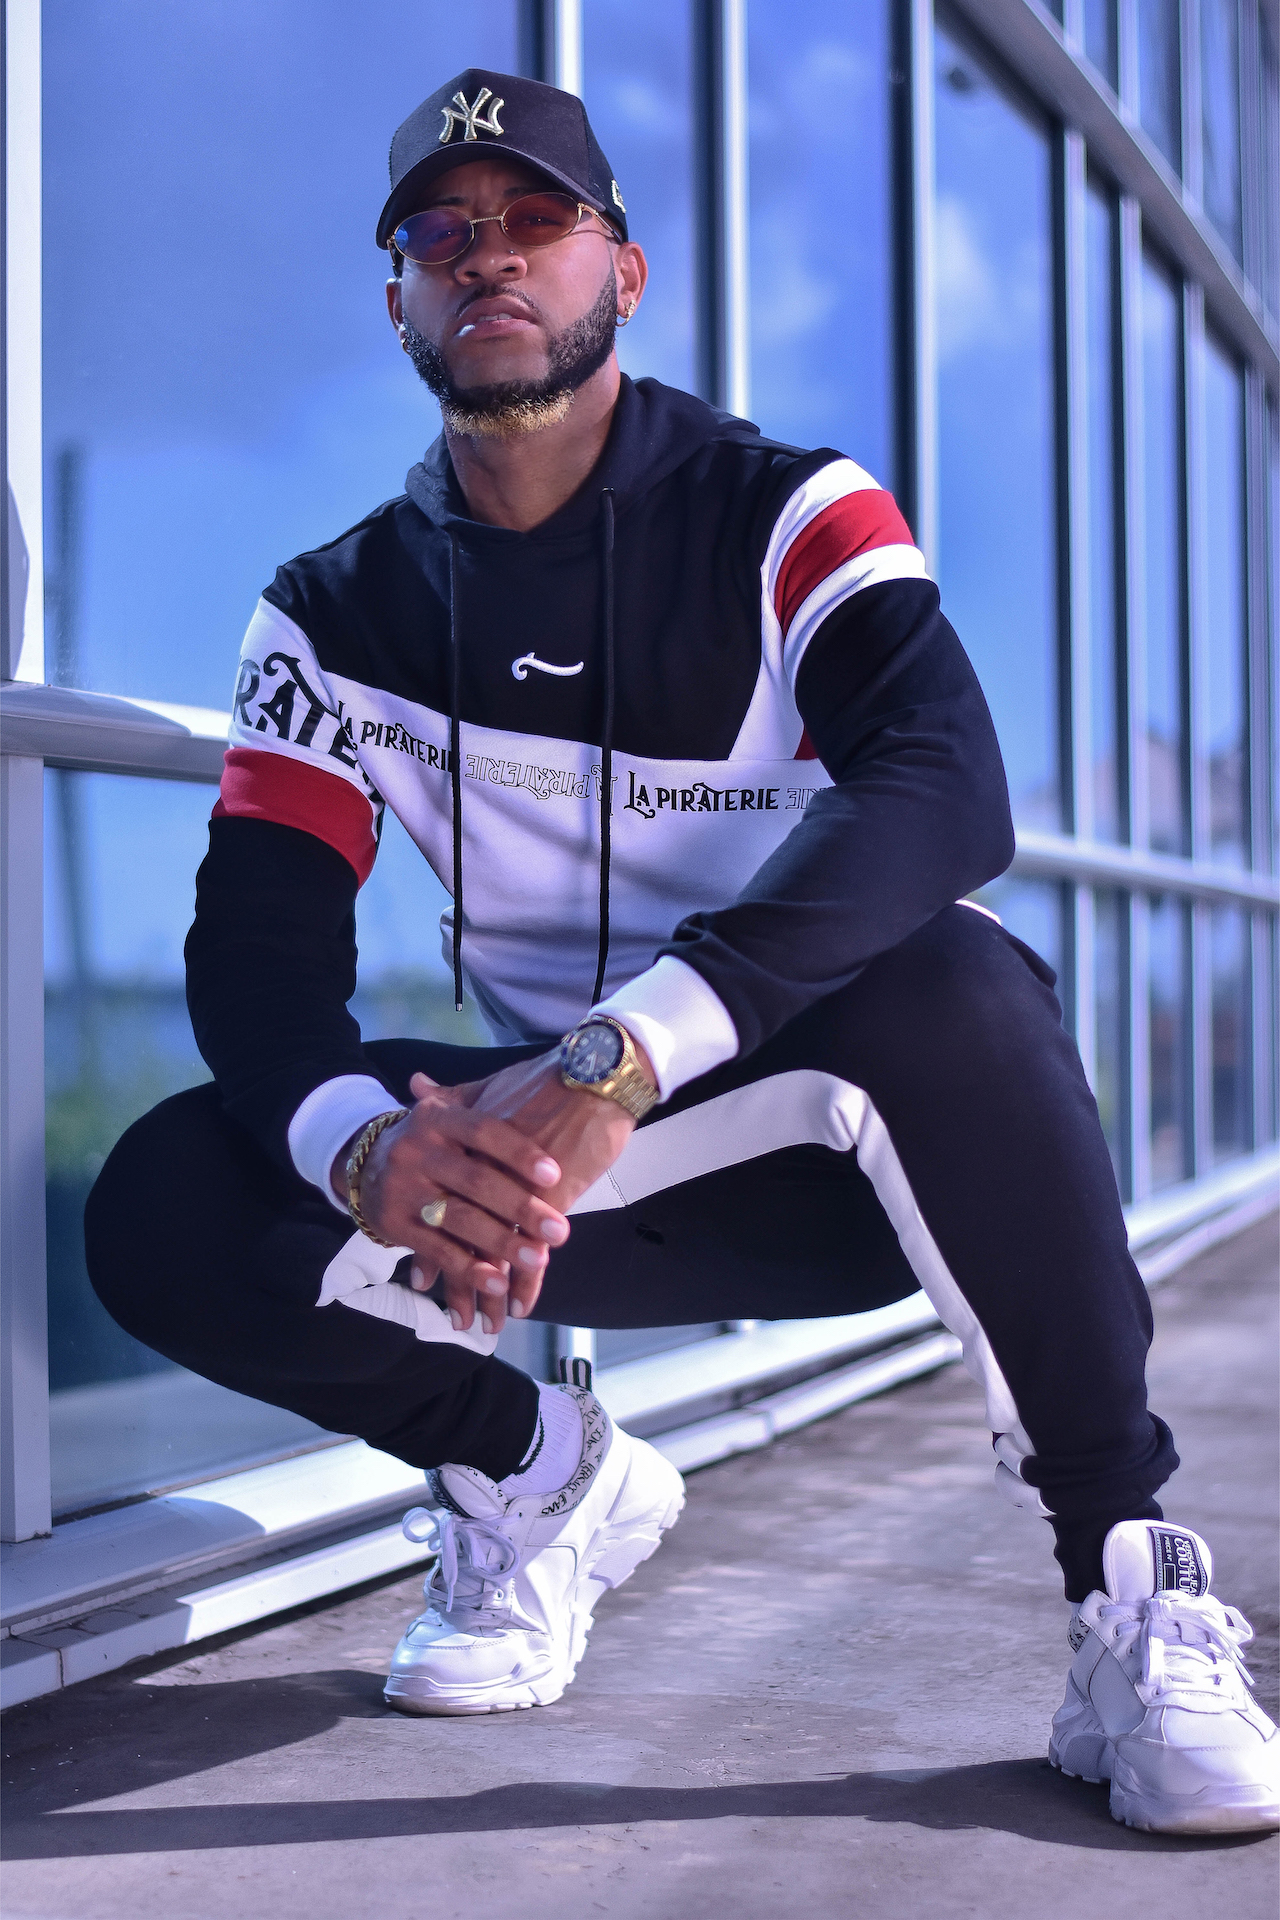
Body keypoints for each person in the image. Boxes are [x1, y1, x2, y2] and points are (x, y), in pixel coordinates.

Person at [85, 69, 1276, 1835]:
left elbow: (944, 786)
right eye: (442, 232)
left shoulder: (789, 514)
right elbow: (258, 956)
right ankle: (533, 1474)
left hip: (850, 1163)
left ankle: (1133, 1591)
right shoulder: (331, 614)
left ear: (623, 273)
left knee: (959, 979)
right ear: (398, 296)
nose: (488, 256)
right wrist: (375, 1150)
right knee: (164, 1200)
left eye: (536, 219)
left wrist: (620, 1057)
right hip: (572, 1202)